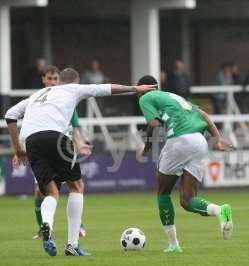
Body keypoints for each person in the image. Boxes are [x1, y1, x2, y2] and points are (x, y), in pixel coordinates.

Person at [5, 68, 156, 256]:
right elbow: (105, 88)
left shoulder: (37, 95)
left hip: (32, 142)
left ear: (60, 80)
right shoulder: (73, 89)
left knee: (50, 191)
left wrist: (18, 149)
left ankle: (46, 225)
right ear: (75, 82)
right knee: (76, 187)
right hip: (57, 138)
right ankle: (72, 245)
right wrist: (134, 88)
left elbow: (10, 114)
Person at [138, 75, 234, 253]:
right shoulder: (174, 97)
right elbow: (204, 115)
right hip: (200, 141)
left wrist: (147, 146)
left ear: (141, 88)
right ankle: (219, 210)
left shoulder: (145, 97)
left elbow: (153, 123)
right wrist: (218, 139)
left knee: (163, 192)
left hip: (180, 141)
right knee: (187, 200)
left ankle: (174, 245)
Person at [30, 65, 90, 240]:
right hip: (42, 149)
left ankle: (78, 224)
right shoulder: (37, 99)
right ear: (43, 80)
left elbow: (75, 127)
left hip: (61, 149)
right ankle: (44, 229)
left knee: (73, 187)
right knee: (40, 192)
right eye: (49, 78)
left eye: (55, 79)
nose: (52, 82)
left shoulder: (66, 100)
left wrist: (79, 143)